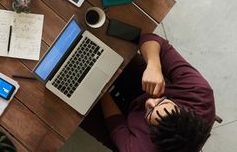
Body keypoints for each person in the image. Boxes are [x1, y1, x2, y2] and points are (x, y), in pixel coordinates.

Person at [86, 33, 215, 152]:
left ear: (152, 134)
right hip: (145, 85)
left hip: (125, 123)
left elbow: (116, 124)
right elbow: (150, 38)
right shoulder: (199, 92)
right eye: (162, 101)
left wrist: (101, 87)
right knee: (116, 46)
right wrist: (154, 66)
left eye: (150, 111)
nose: (150, 101)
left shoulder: (141, 149)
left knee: (81, 109)